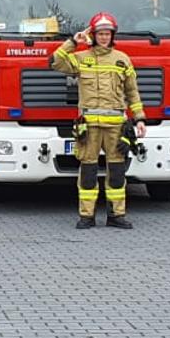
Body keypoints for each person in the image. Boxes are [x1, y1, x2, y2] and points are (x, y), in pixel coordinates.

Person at [50, 12, 146, 230]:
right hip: (89, 127)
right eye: (100, 33)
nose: (104, 37)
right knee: (88, 172)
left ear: (112, 36)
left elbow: (132, 92)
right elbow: (55, 61)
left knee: (117, 172)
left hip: (115, 127)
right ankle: (87, 216)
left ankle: (116, 215)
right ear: (93, 35)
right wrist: (74, 41)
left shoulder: (122, 60)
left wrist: (139, 119)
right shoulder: (82, 59)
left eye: (107, 34)